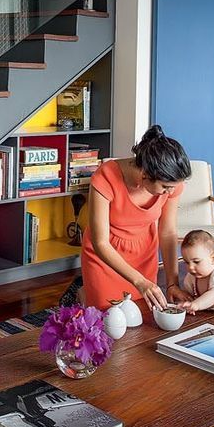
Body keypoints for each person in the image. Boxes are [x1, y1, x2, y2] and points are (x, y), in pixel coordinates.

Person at [69, 125, 193, 311]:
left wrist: (172, 283)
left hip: (143, 253)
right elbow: (100, 242)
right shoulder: (106, 176)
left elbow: (167, 232)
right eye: (166, 187)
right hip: (105, 255)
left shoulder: (172, 182)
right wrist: (139, 281)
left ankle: (84, 292)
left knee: (142, 313)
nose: (171, 191)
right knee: (108, 315)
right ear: (145, 175)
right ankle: (84, 292)